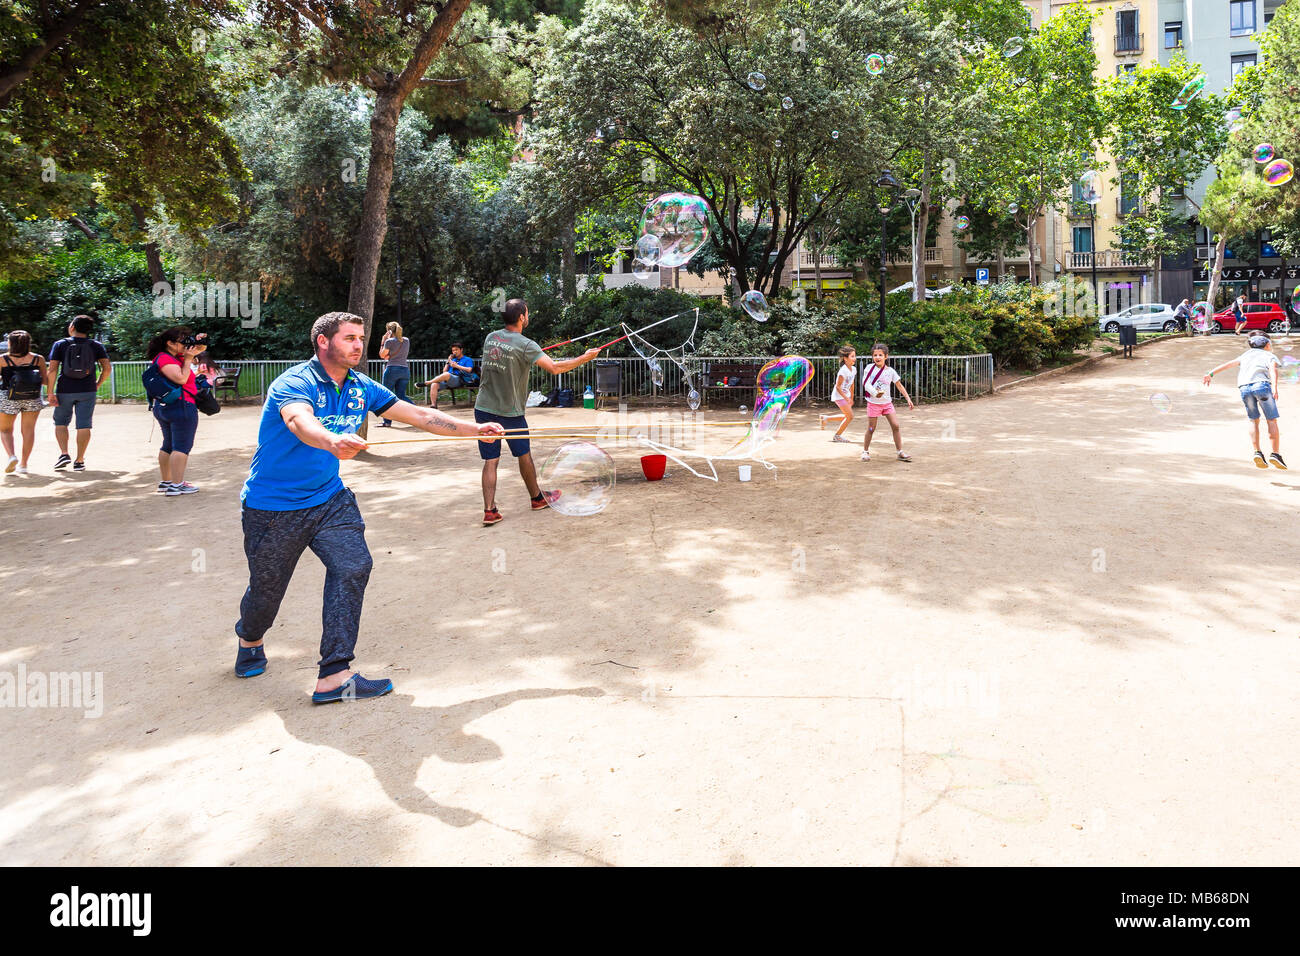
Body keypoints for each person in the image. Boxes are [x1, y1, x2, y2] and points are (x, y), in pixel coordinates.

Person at [233, 311, 503, 702]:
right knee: (266, 590)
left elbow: (420, 414)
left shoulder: (362, 385)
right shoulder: (295, 382)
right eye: (349, 338)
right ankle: (250, 638)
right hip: (272, 508)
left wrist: (475, 430)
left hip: (329, 499)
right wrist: (330, 441)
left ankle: (334, 674)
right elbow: (298, 421)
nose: (359, 345)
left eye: (361, 338)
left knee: (353, 566)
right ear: (324, 342)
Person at [475, 299, 600, 525]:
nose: (528, 315)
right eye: (527, 312)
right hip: (510, 412)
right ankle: (537, 498)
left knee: (490, 461)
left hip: (483, 408)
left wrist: (528, 353)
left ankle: (489, 510)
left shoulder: (491, 338)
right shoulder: (526, 345)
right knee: (524, 455)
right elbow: (554, 368)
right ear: (522, 317)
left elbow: (504, 355)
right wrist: (584, 358)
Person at [1203, 333, 1285, 469]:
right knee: (1271, 420)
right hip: (1262, 386)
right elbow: (1272, 371)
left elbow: (1228, 364)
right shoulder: (1269, 355)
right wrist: (1275, 387)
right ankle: (1275, 454)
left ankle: (1257, 452)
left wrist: (1210, 373)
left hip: (1244, 388)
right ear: (1267, 345)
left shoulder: (1246, 355)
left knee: (1253, 420)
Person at [47, 314, 111, 471]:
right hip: (87, 389)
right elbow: (107, 368)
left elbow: (53, 369)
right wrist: (97, 384)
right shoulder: (96, 346)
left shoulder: (60, 344)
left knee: (61, 423)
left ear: (72, 327)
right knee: (84, 425)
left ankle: (64, 453)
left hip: (65, 390)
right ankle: (80, 460)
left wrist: (50, 392)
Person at [145, 326, 205, 495]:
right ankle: (176, 485)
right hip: (181, 406)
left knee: (169, 445)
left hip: (166, 406)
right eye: (183, 341)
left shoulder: (170, 356)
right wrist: (187, 360)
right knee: (182, 446)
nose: (186, 345)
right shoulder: (166, 359)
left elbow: (199, 349)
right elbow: (181, 378)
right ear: (170, 343)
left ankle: (167, 481)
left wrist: (198, 341)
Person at [1, 330, 51, 475]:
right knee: (28, 431)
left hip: (8, 397)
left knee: (5, 430)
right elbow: (45, 381)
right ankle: (23, 464)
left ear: (10, 343)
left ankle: (11, 456)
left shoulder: (3, 359)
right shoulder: (38, 359)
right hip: (32, 397)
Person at [860, 342, 915, 463]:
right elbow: (866, 383)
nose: (877, 357)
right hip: (873, 403)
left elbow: (899, 385)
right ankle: (865, 451)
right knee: (871, 428)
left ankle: (900, 452)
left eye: (880, 355)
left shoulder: (890, 371)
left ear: (886, 356)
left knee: (896, 426)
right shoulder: (869, 368)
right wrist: (875, 393)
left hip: (887, 404)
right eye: (875, 355)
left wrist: (908, 399)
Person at [819, 345, 857, 442]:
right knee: (850, 416)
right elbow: (838, 387)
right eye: (852, 356)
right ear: (845, 358)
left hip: (846, 396)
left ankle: (825, 418)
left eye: (854, 356)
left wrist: (851, 397)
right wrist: (846, 398)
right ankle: (837, 436)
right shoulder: (843, 371)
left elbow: (852, 384)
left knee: (847, 416)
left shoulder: (854, 369)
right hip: (839, 396)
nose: (854, 358)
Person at [376, 321, 410, 427]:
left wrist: (383, 340)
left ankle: (387, 421)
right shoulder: (406, 340)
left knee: (386, 395)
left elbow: (382, 355)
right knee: (401, 395)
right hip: (405, 370)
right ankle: (419, 412)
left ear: (389, 331)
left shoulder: (389, 341)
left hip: (392, 370)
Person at [427, 342, 477, 406]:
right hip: (448, 379)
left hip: (459, 379)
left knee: (447, 375)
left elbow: (469, 370)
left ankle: (428, 382)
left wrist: (457, 366)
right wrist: (448, 361)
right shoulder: (453, 360)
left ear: (461, 350)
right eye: (453, 350)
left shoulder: (467, 359)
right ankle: (433, 405)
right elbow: (444, 371)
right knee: (434, 384)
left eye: (456, 350)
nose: (454, 352)